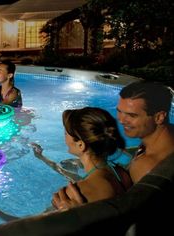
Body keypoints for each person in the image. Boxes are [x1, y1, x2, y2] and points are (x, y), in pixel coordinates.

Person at [0, 107, 132, 219]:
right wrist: (42, 158)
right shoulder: (118, 172)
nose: (64, 136)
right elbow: (74, 175)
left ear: (80, 144)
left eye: (66, 133)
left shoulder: (74, 196)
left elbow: (26, 227)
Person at [52, 81, 174, 209]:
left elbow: (138, 220)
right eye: (120, 111)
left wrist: (80, 215)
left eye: (131, 115)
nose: (121, 120)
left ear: (159, 117)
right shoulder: (159, 140)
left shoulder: (146, 167)